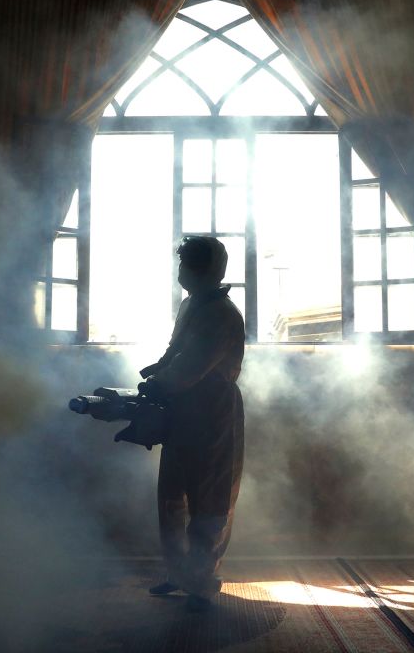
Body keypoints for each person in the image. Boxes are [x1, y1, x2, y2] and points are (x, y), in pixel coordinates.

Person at [138, 236, 245, 612]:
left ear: (207, 270)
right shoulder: (191, 305)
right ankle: (178, 571)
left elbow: (192, 366)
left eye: (188, 264)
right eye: (181, 263)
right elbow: (176, 350)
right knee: (172, 495)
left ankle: (200, 582)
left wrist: (160, 382)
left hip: (213, 413)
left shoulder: (223, 314)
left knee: (209, 500)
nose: (182, 271)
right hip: (182, 411)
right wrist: (158, 368)